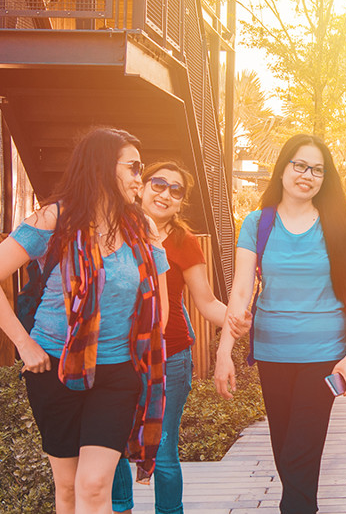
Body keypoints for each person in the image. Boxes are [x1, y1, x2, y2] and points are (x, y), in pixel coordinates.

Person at [0, 127, 169, 514]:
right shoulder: (52, 220)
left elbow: (157, 305)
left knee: (93, 486)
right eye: (133, 167)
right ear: (102, 167)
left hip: (115, 372)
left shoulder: (142, 227)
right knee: (67, 489)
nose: (139, 178)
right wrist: (24, 345)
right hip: (54, 368)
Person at [214, 134, 346, 513]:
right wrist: (223, 352)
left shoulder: (337, 223)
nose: (308, 175)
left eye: (318, 169)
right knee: (285, 449)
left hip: (323, 355)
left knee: (302, 448)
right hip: (272, 353)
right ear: (283, 168)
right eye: (300, 165)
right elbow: (241, 290)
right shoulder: (258, 222)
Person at [111, 161, 250, 514]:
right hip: (115, 353)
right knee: (110, 444)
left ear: (180, 202)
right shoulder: (114, 229)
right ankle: (119, 508)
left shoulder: (183, 241)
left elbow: (206, 302)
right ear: (141, 186)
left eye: (176, 190)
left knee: (164, 447)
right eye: (159, 184)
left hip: (170, 354)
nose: (166, 194)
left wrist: (238, 322)